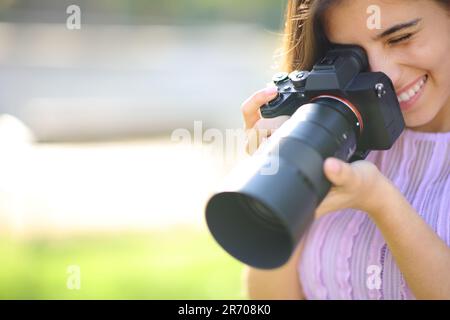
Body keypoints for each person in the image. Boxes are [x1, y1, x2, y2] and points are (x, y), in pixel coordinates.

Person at [241, 0, 450, 300]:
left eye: (401, 38)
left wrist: (381, 202)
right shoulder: (337, 125)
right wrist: (278, 182)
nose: (384, 75)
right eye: (352, 57)